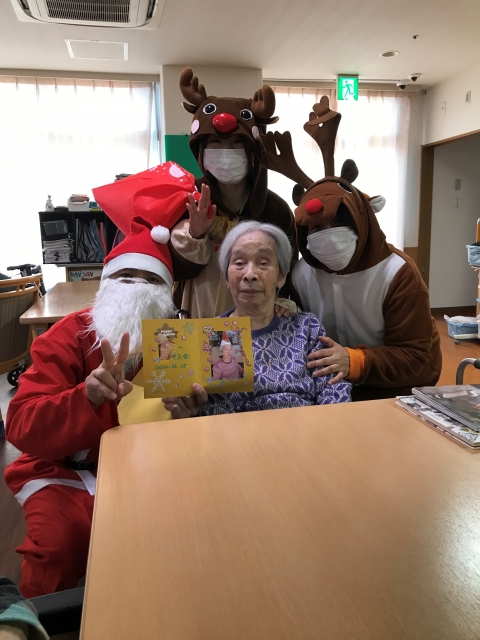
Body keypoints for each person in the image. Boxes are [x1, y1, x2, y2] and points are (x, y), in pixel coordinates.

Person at [4, 164, 209, 597]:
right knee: (60, 545)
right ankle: (38, 618)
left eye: (150, 280)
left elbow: (182, 428)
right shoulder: (66, 335)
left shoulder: (176, 339)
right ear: (105, 283)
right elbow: (20, 424)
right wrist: (86, 397)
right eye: (124, 277)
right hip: (62, 469)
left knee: (178, 537)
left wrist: (187, 415)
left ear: (166, 293)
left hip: (146, 465)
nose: (136, 287)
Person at [260, 97, 442, 400]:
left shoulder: (397, 274)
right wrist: (283, 308)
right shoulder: (300, 274)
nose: (328, 237)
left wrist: (355, 361)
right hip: (328, 389)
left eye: (338, 224)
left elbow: (417, 358)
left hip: (396, 393)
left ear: (360, 221)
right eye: (317, 228)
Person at [162, 221, 352, 418]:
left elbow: (333, 389)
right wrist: (193, 412)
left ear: (281, 276)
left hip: (308, 428)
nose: (250, 274)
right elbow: (214, 412)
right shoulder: (213, 336)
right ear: (226, 278)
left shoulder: (306, 327)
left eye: (263, 263)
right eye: (239, 263)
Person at [170, 67, 296, 318]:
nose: (226, 153)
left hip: (256, 320)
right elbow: (171, 268)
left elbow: (287, 268)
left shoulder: (276, 210)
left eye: (237, 143)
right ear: (201, 151)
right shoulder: (186, 198)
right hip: (198, 315)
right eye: (216, 143)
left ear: (253, 151)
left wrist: (284, 299)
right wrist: (195, 234)